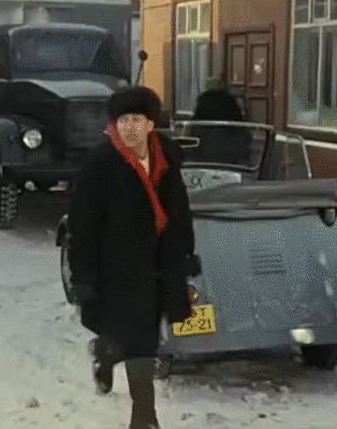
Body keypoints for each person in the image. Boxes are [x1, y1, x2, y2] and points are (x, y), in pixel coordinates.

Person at [68, 86, 196, 429]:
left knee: (140, 337)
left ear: (151, 124)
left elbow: (180, 213)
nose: (130, 128)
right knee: (142, 342)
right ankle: (144, 417)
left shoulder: (167, 160)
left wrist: (185, 255)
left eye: (137, 120)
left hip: (159, 265)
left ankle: (106, 354)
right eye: (123, 121)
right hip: (117, 269)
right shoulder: (100, 165)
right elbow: (82, 226)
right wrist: (84, 278)